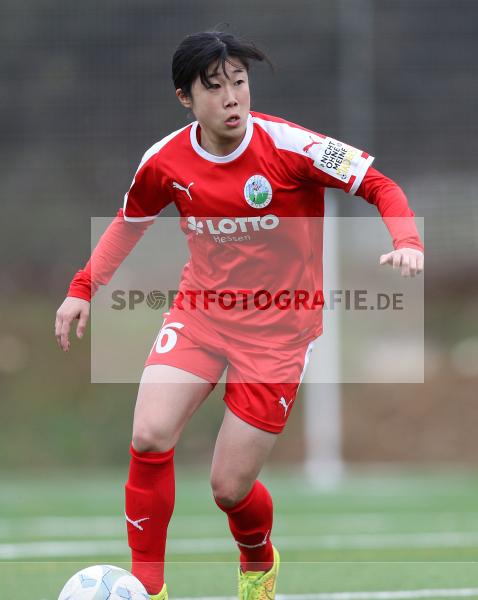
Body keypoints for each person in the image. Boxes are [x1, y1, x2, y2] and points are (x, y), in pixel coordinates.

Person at [54, 31, 424, 600]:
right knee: (150, 434)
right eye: (215, 87)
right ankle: (148, 588)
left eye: (239, 82)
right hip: (200, 315)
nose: (232, 97)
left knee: (228, 488)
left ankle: (258, 559)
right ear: (185, 97)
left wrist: (406, 239)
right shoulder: (166, 161)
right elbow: (129, 222)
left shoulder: (291, 147)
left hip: (279, 335)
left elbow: (378, 184)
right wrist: (83, 288)